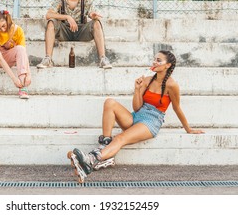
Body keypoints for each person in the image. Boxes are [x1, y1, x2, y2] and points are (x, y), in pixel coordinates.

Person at [67, 50, 204, 183]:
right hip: (138, 115)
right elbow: (137, 107)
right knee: (110, 103)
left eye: (158, 60)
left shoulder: (172, 85)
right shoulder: (147, 80)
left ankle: (91, 159)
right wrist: (137, 89)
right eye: (154, 59)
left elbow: (177, 108)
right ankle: (105, 149)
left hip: (152, 120)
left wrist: (188, 129)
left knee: (121, 137)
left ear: (167, 65)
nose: (154, 62)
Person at [37, 0, 112, 69]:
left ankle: (102, 59)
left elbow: (91, 12)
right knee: (51, 22)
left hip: (81, 31)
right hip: (64, 32)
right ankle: (48, 59)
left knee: (96, 23)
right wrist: (67, 17)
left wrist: (92, 15)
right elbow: (48, 15)